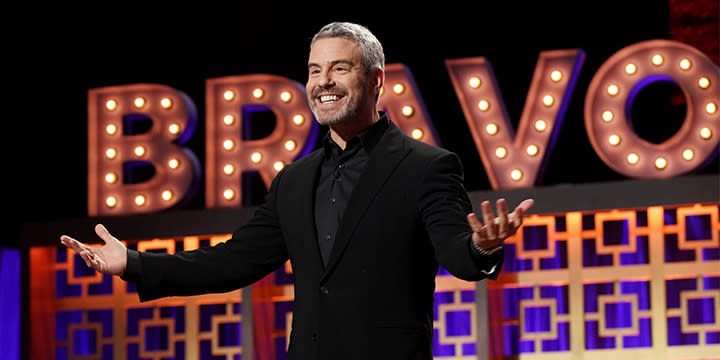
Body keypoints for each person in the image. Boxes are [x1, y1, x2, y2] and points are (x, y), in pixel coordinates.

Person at [61, 21, 534, 360]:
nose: (323, 82)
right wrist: (135, 263)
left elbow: (454, 249)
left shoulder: (427, 166)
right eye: (314, 70)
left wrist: (480, 247)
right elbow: (234, 260)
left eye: (339, 69)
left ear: (376, 81)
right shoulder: (294, 179)